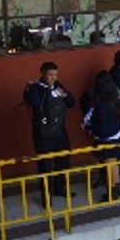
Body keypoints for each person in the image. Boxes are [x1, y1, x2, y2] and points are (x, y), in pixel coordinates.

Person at [25, 61, 76, 201]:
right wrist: (46, 91)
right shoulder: (35, 88)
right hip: (43, 134)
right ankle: (46, 196)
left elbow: (71, 102)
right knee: (45, 165)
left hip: (59, 132)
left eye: (55, 75)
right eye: (50, 75)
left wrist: (63, 95)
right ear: (42, 74)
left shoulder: (58, 86)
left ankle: (59, 188)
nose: (53, 78)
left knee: (63, 161)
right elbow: (35, 103)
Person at [83, 70, 120, 202]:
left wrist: (89, 128)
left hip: (105, 139)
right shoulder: (115, 98)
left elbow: (101, 128)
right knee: (113, 164)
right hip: (116, 135)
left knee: (109, 165)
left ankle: (112, 192)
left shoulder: (100, 105)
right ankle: (115, 189)